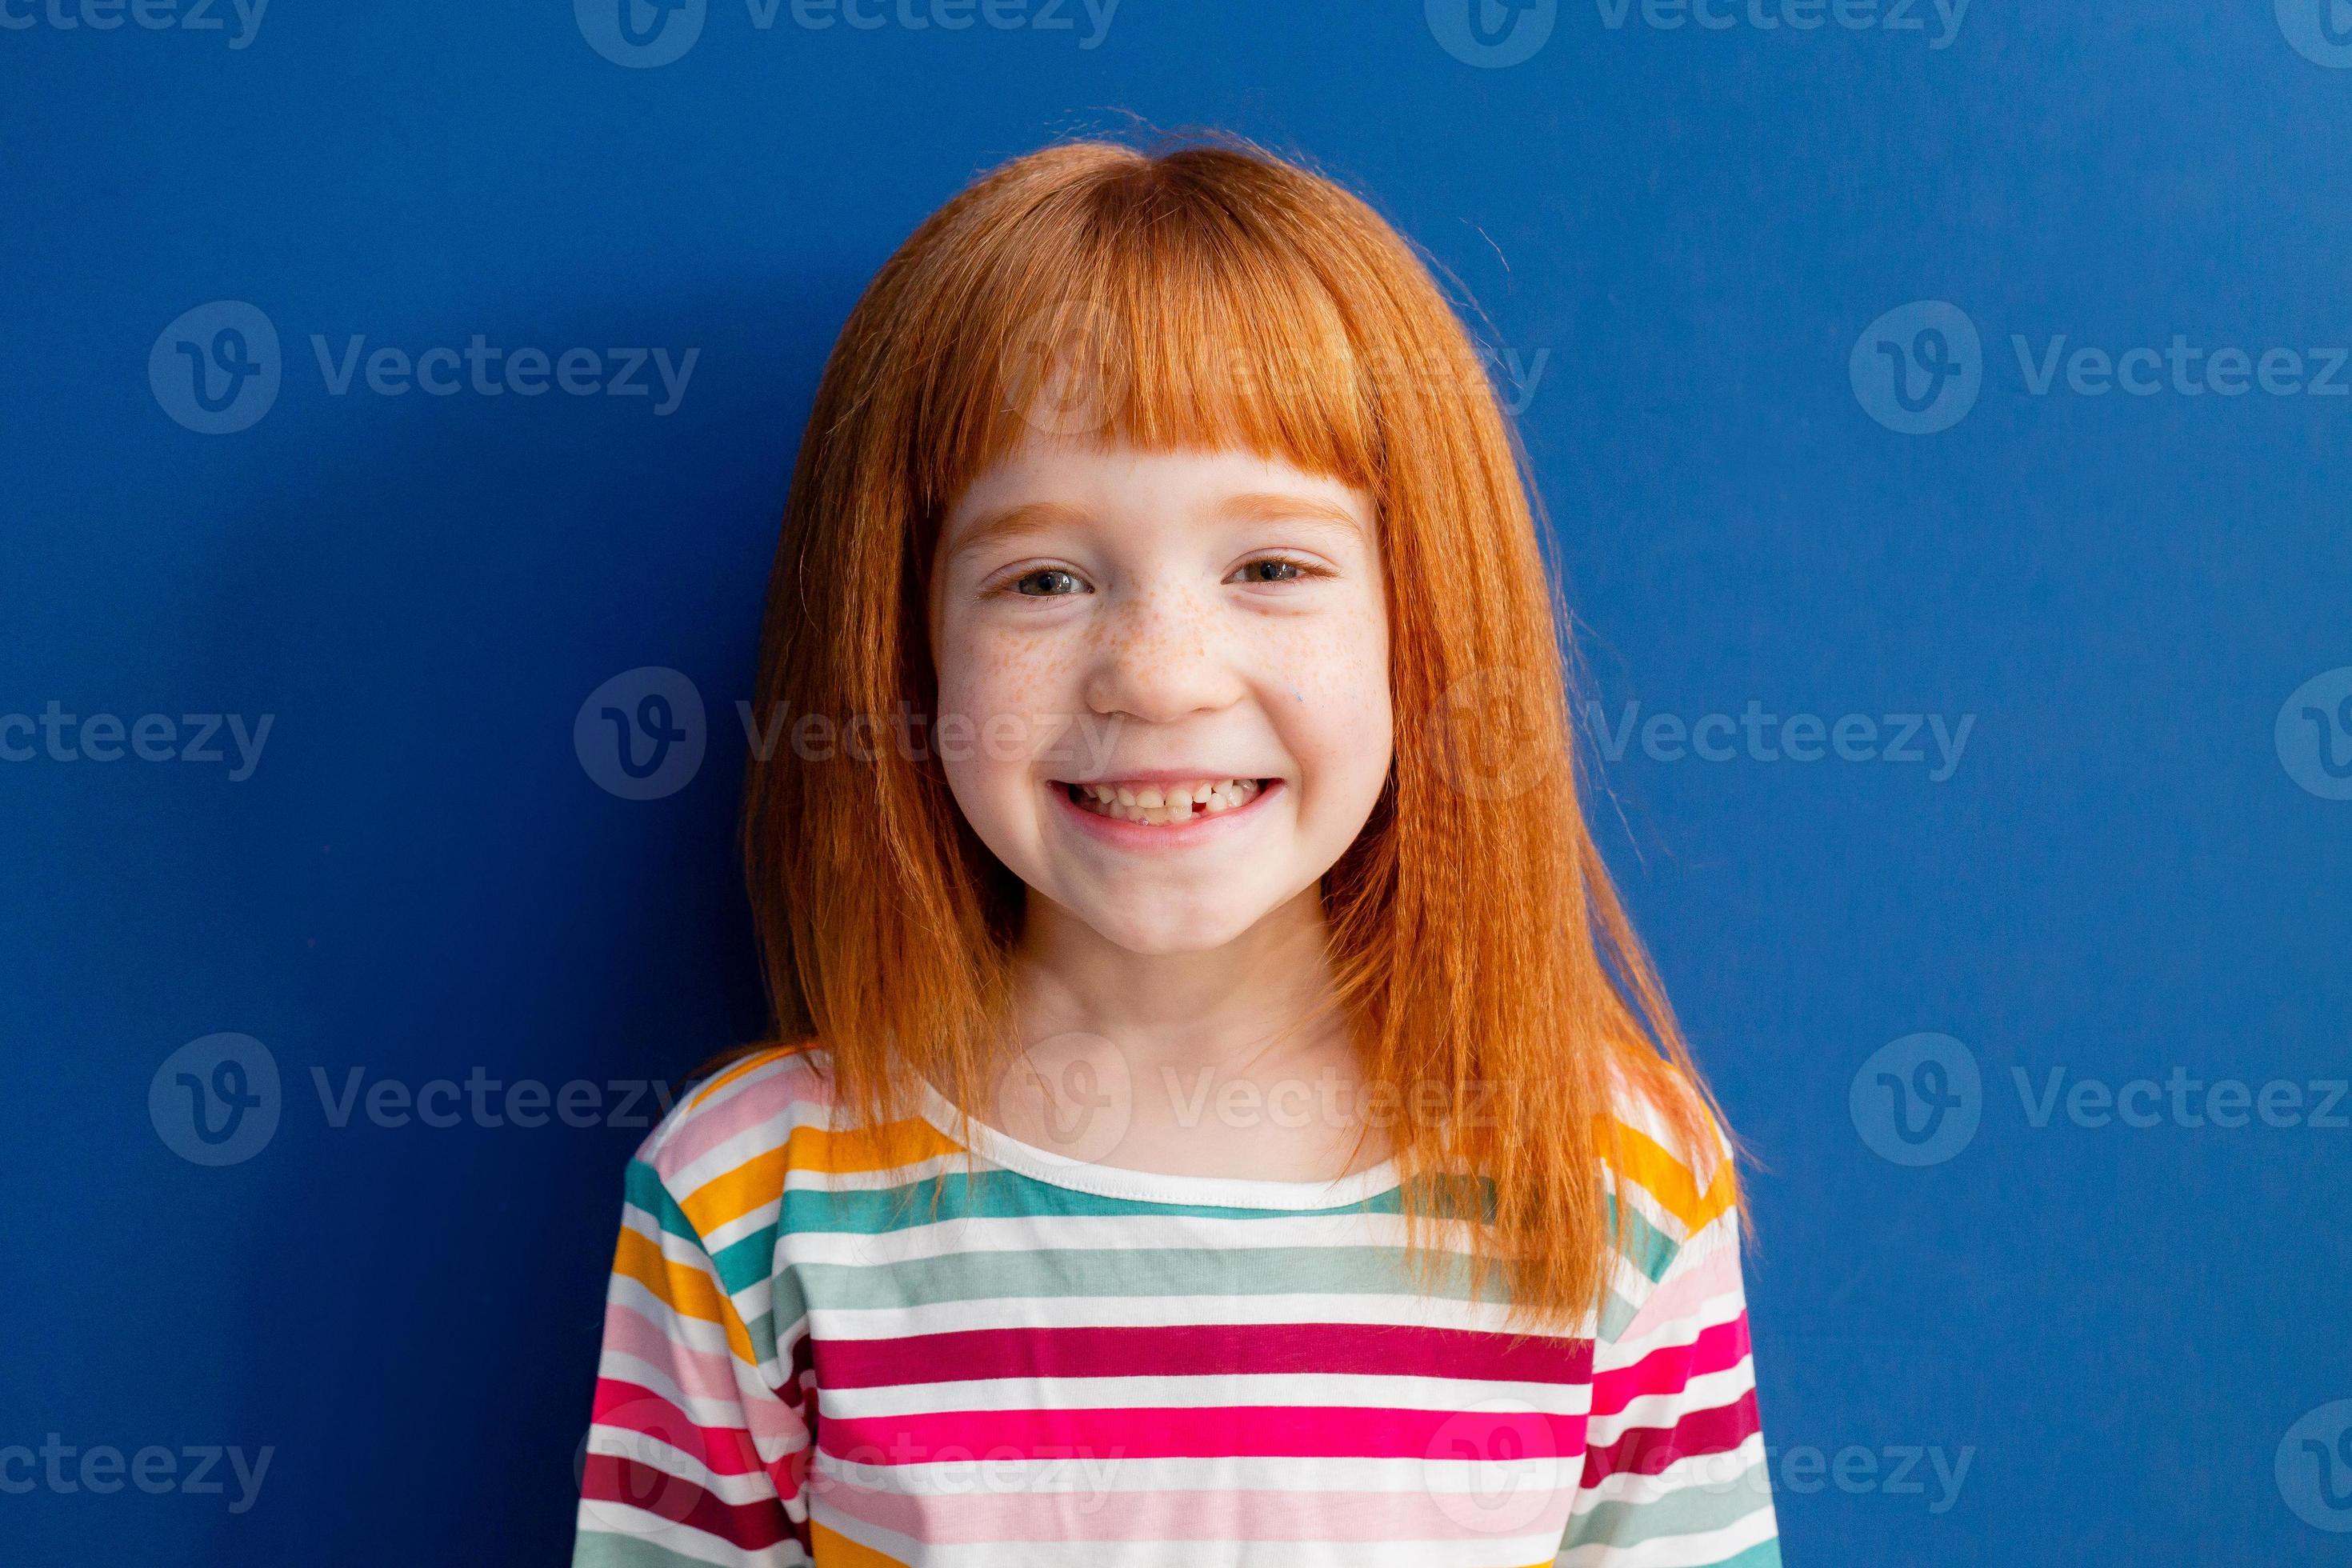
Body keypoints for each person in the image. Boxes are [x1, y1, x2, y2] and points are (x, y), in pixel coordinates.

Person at [571, 131, 1779, 1567]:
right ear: (904, 649)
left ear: (1424, 626)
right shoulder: (750, 1201)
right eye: (1043, 579)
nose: (1158, 675)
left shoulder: (1610, 1180)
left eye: (1273, 567)